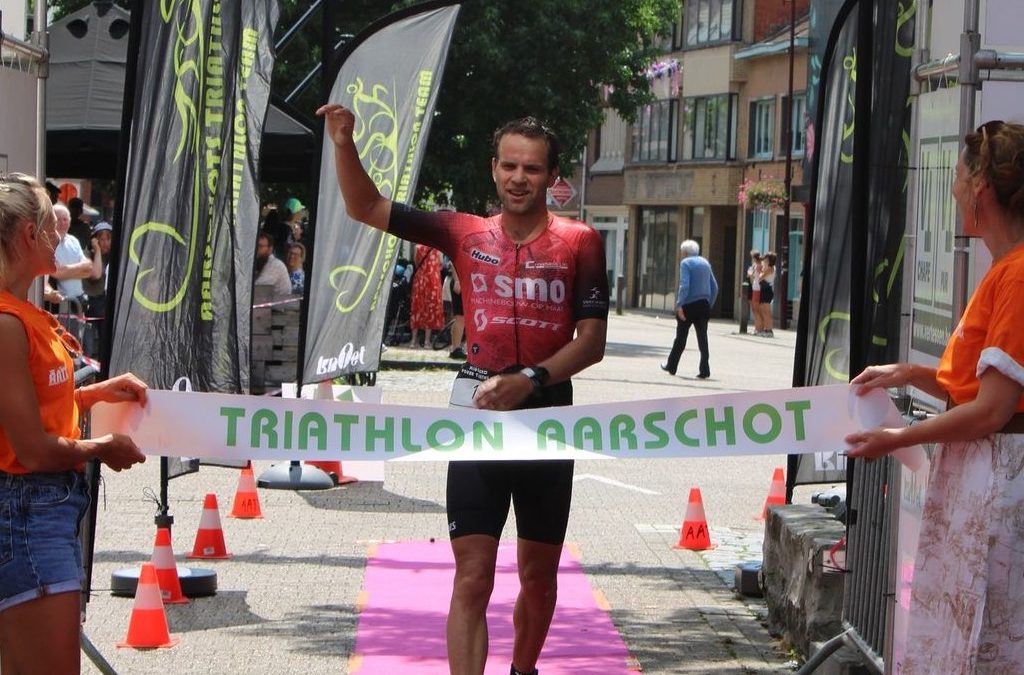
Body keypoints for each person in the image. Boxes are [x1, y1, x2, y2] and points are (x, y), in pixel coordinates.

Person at [318, 103, 609, 675]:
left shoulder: (581, 241)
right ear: (493, 169)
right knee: (472, 573)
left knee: (538, 576)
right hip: (476, 411)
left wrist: (532, 378)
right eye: (509, 166)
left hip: (548, 415)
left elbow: (592, 341)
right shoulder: (463, 230)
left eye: (531, 169)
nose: (518, 178)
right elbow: (365, 206)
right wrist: (344, 143)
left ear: (552, 177)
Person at [845, 121, 1024, 673]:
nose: (951, 191)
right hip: (984, 474)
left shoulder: (1017, 275)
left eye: (957, 179)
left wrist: (896, 436)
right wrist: (907, 374)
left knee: (981, 637)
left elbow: (993, 410)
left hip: (997, 480)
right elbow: (979, 388)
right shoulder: (1006, 269)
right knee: (964, 634)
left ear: (981, 191)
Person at [0, 173, 148, 673]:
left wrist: (91, 395)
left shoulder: (21, 312)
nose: (61, 239)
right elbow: (34, 448)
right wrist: (101, 447)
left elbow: (32, 407)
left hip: (39, 509)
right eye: (51, 227)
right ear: (28, 236)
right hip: (26, 510)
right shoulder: (7, 322)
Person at [660, 239, 718, 379]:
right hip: (703, 304)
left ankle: (672, 365)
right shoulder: (705, 263)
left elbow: (684, 285)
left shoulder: (685, 263)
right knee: (702, 338)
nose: (681, 255)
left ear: (685, 252)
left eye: (682, 253)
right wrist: (709, 304)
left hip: (689, 305)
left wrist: (679, 304)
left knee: (681, 337)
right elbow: (714, 286)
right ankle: (705, 369)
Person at [48, 203, 95, 311]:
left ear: (70, 221)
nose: (62, 222)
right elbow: (56, 272)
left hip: (79, 302)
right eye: (58, 219)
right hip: (59, 304)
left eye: (65, 219)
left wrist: (64, 271)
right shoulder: (48, 243)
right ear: (51, 220)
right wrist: (79, 268)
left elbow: (88, 269)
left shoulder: (74, 241)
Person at [83, 221, 113, 358]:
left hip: (105, 307)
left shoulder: (114, 257)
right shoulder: (87, 256)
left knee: (105, 346)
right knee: (87, 348)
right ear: (95, 240)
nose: (106, 242)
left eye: (108, 238)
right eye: (102, 238)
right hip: (90, 307)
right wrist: (98, 251)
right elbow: (97, 275)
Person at [408, 243, 444, 348]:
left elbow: (416, 263)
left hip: (420, 280)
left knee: (417, 309)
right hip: (433, 280)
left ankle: (413, 341)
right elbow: (441, 263)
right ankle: (427, 342)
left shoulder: (417, 247)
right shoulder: (438, 248)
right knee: (431, 309)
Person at [253, 231, 292, 298]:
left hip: (278, 306)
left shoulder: (275, 265)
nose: (256, 249)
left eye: (260, 246)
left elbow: (258, 286)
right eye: (255, 245)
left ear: (270, 249)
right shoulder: (259, 263)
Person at [756, 251, 776, 337]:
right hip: (764, 289)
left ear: (769, 259)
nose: (765, 259)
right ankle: (766, 328)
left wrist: (760, 271)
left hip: (767, 289)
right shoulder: (766, 267)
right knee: (763, 310)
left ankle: (769, 330)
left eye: (766, 258)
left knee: (767, 311)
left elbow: (760, 278)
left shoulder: (770, 268)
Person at [448, 267, 466, 359]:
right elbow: (454, 261)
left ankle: (461, 346)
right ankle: (455, 348)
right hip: (461, 281)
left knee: (469, 318)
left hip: (472, 281)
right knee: (460, 317)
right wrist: (457, 280)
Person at [746, 249, 763, 334]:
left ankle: (758, 329)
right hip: (754, 287)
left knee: (756, 309)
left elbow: (756, 278)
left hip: (757, 288)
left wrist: (751, 275)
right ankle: (757, 328)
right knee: (754, 309)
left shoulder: (758, 266)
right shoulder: (755, 266)